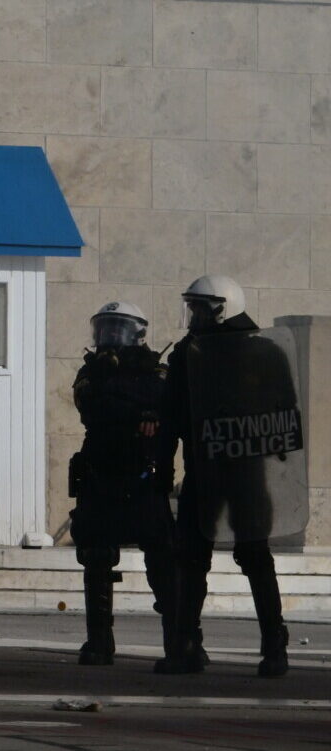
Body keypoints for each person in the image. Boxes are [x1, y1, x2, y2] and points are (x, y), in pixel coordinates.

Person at [159, 275, 296, 677]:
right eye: (193, 307)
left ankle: (275, 645)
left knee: (255, 556)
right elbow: (170, 416)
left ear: (226, 308)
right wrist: (164, 467)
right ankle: (186, 644)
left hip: (246, 468)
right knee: (190, 556)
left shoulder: (265, 350)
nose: (196, 316)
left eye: (203, 308)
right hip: (203, 467)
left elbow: (286, 410)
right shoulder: (187, 354)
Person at [67, 301, 179, 667]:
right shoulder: (90, 372)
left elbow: (166, 403)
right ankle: (99, 642)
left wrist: (149, 412)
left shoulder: (158, 371)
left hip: (143, 477)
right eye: (105, 329)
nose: (110, 337)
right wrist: (139, 412)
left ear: (139, 334)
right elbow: (93, 408)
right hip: (101, 474)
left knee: (163, 561)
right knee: (97, 558)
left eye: (119, 329)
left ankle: (179, 644)